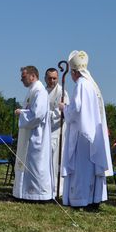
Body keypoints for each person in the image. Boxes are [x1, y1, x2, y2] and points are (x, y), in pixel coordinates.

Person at [59, 50, 113, 209]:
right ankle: (93, 199)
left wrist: (64, 108)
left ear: (75, 72)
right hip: (93, 135)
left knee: (81, 169)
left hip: (82, 135)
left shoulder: (81, 85)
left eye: (72, 73)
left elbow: (76, 110)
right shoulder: (92, 84)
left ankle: (80, 200)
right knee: (90, 168)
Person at [13, 66, 53, 201]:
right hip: (30, 134)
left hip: (37, 136)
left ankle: (37, 194)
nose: (21, 79)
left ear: (32, 76)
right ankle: (25, 193)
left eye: (23, 76)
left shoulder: (40, 91)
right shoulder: (32, 91)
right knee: (28, 164)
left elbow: (38, 115)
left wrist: (21, 113)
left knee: (36, 165)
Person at [45, 67, 69, 196]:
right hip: (45, 130)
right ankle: (46, 186)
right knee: (47, 159)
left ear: (58, 78)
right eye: (49, 78)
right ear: (45, 78)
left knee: (56, 161)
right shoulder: (44, 91)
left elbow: (62, 111)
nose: (52, 80)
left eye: (54, 78)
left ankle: (56, 190)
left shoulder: (62, 92)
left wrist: (45, 115)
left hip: (57, 129)